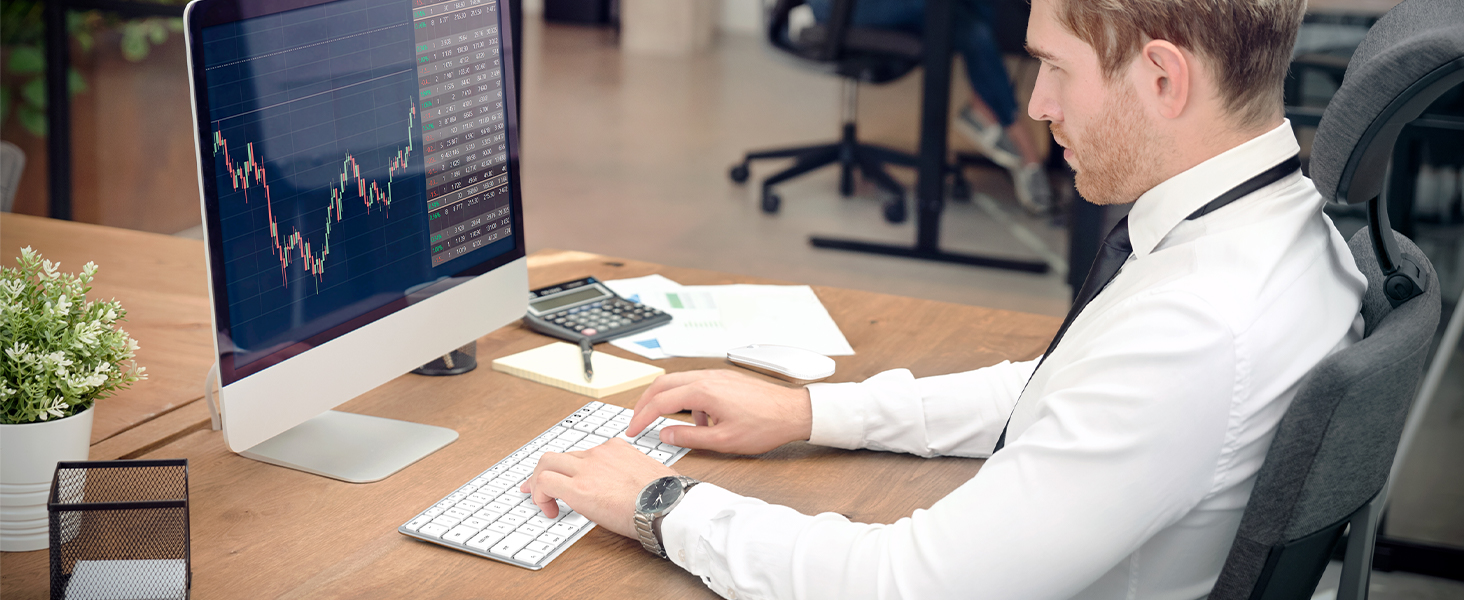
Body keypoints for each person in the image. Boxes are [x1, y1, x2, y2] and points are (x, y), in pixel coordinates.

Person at [521, 0, 1368, 596]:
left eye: (1053, 68)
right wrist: (813, 413)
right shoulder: (1282, 228)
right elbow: (1064, 390)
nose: (1036, 106)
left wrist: (660, 503)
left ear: (1162, 78)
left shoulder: (1200, 329)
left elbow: (904, 586)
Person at [807, 0, 1054, 214]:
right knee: (960, 13)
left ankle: (997, 117)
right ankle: (1015, 135)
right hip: (835, 7)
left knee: (972, 30)